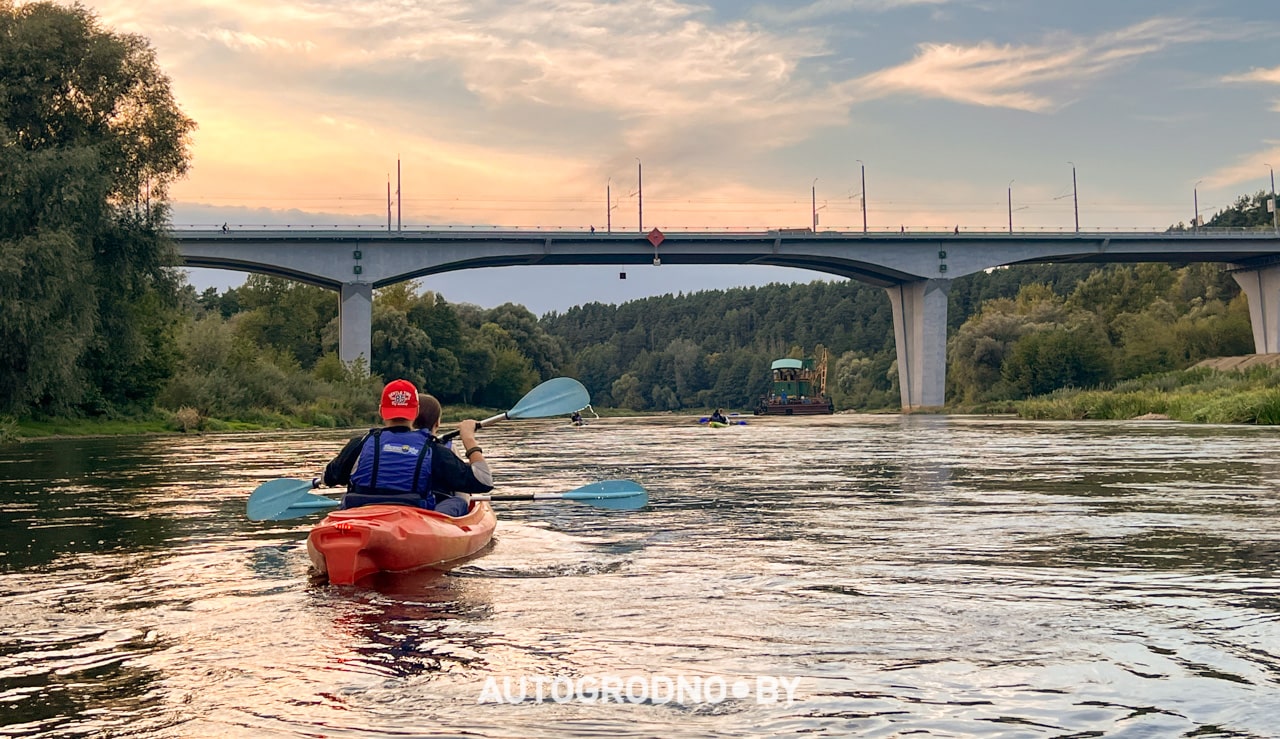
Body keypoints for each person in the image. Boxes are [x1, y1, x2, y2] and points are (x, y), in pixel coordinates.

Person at [321, 379, 492, 517]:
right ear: (416, 412)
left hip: (359, 515)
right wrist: (468, 438)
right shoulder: (433, 450)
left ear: (381, 411)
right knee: (459, 502)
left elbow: (327, 478)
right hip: (410, 519)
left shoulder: (359, 444)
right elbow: (483, 481)